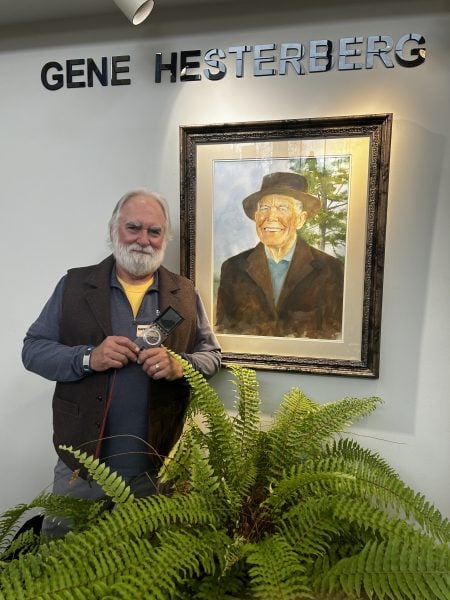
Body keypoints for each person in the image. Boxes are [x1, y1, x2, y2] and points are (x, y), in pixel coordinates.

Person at [22, 189, 221, 533]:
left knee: (141, 571)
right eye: (134, 228)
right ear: (114, 231)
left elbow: (212, 356)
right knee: (62, 567)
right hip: (80, 469)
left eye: (154, 231)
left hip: (154, 469)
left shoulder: (185, 293)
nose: (144, 239)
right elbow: (33, 350)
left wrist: (180, 365)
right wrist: (88, 357)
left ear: (164, 238)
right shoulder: (73, 286)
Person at [215, 171, 344, 339]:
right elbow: (223, 332)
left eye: (282, 208)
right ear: (256, 217)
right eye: (264, 208)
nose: (270, 217)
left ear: (300, 219)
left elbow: (336, 335)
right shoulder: (232, 269)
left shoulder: (329, 270)